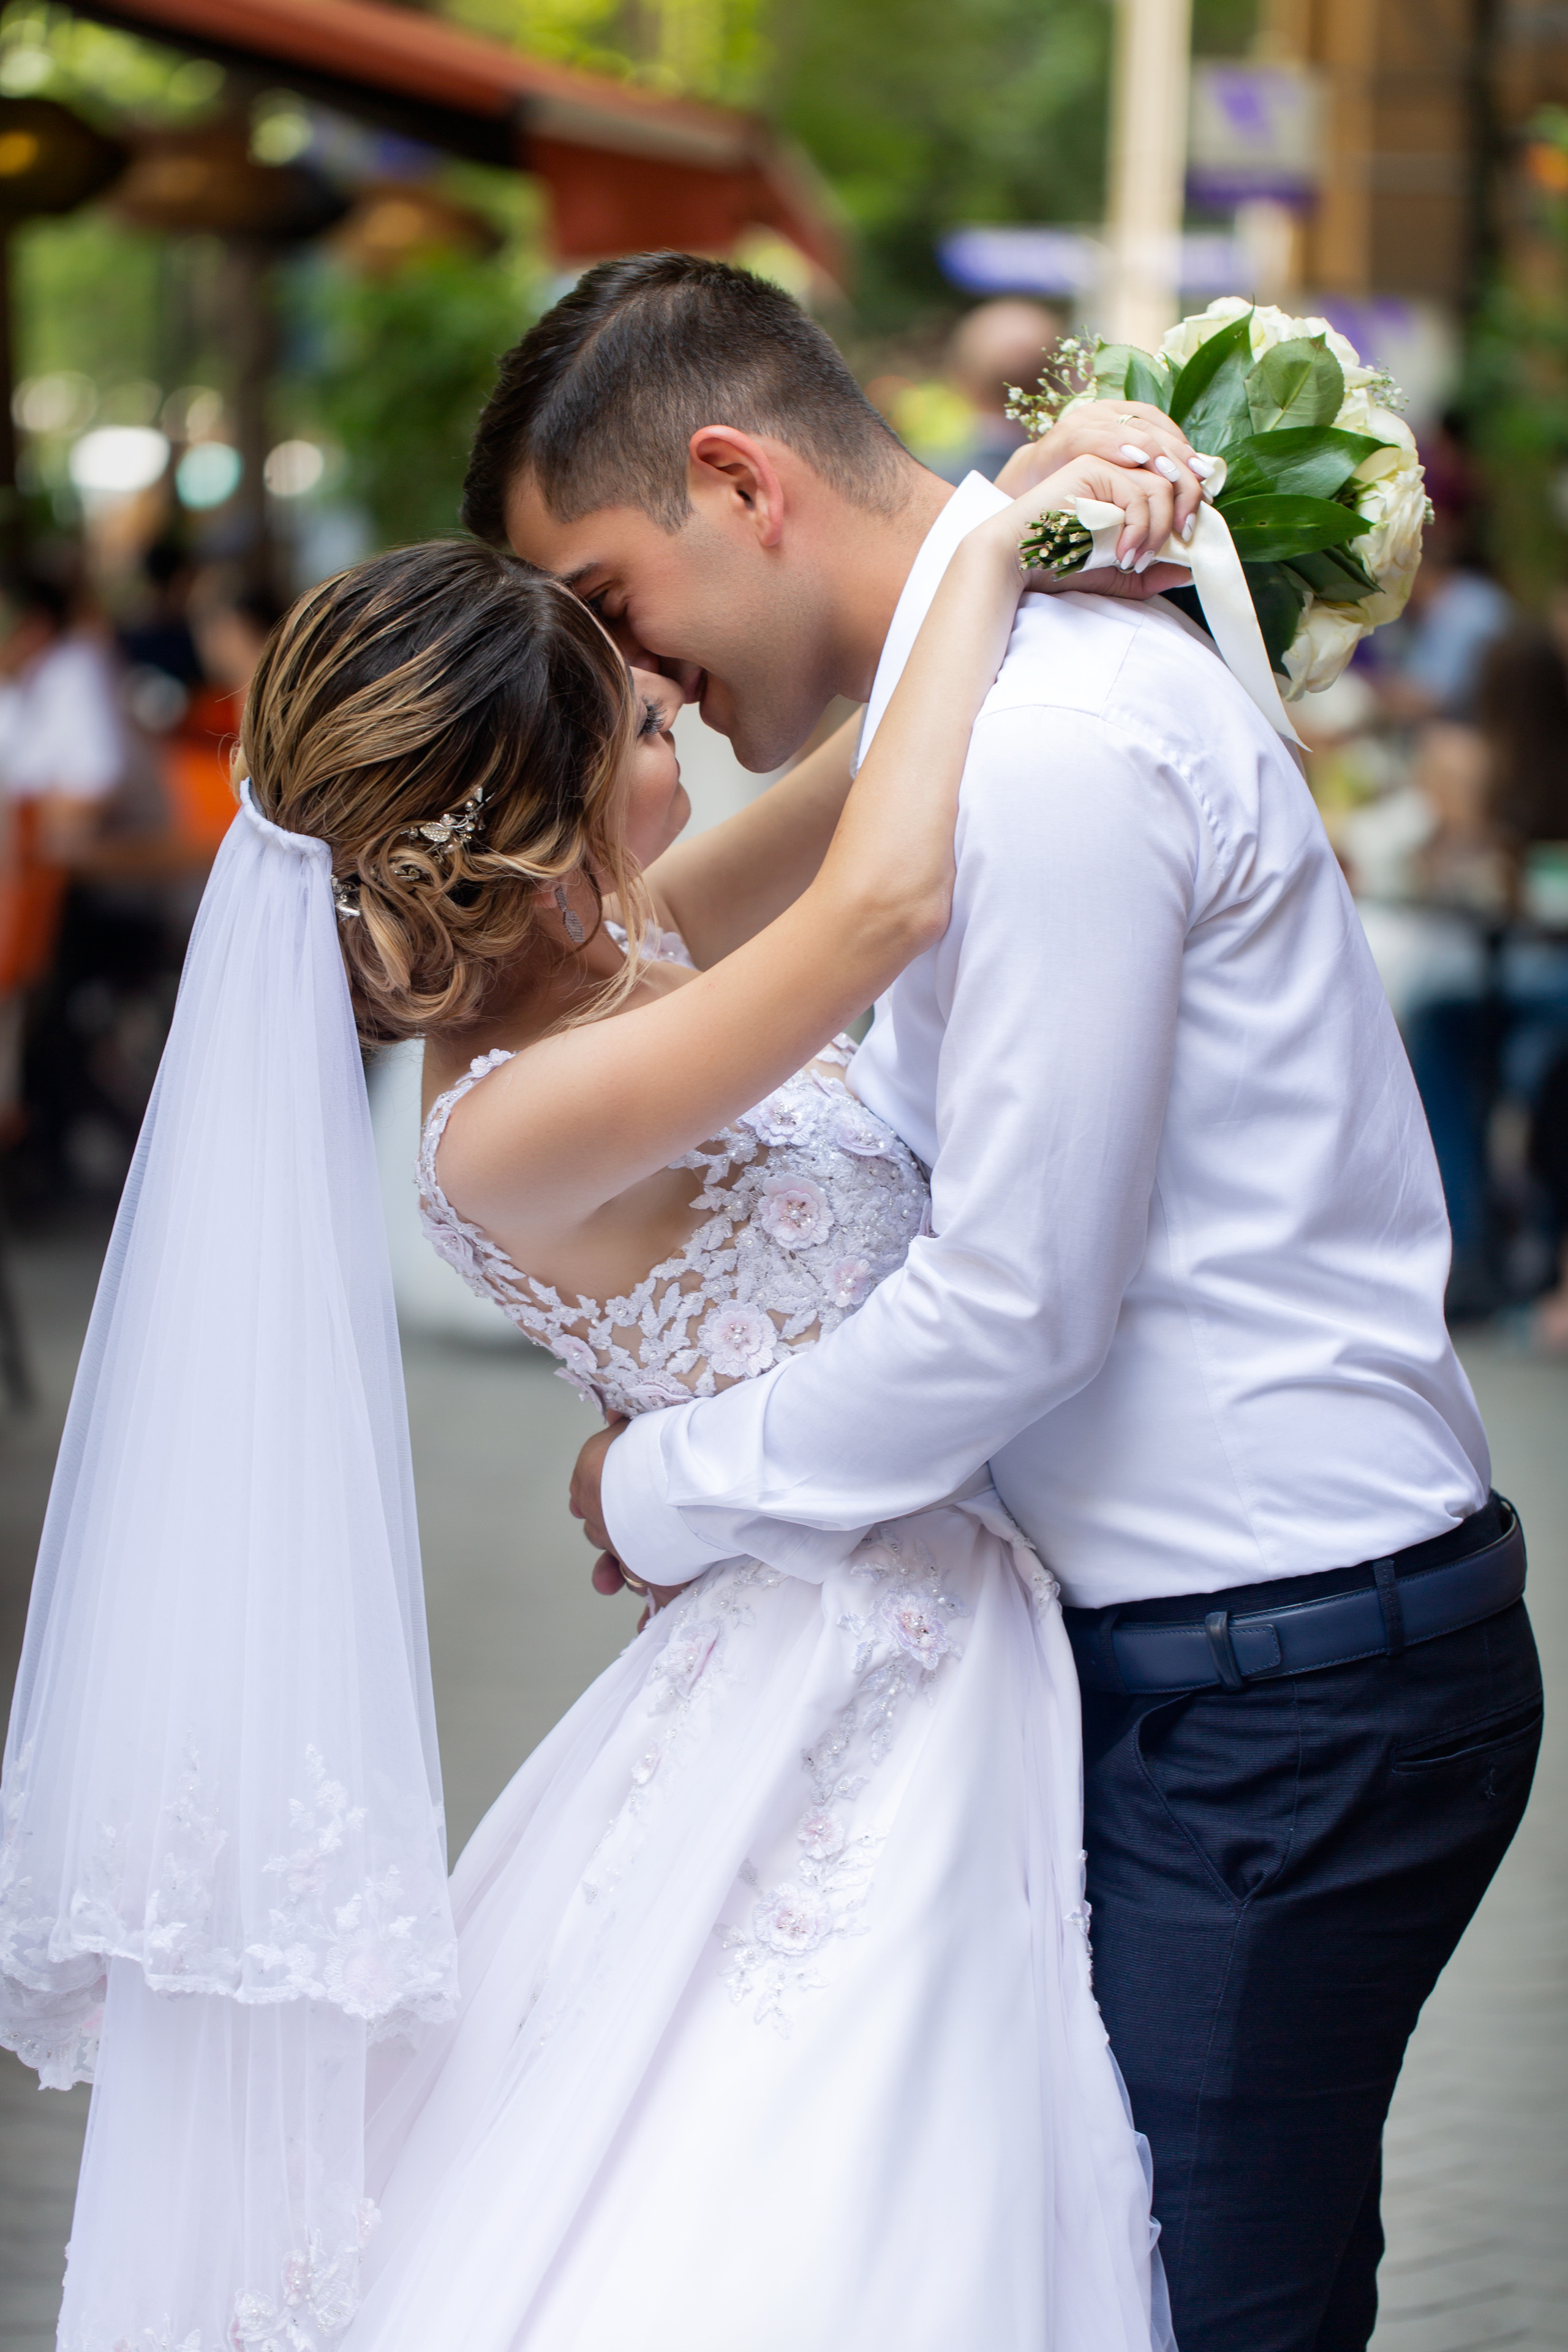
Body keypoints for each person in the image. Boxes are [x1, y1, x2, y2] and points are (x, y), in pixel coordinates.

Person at [473, 254, 1542, 2352]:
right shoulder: (994, 709)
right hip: (1217, 1668)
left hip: (1273, 1685)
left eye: (615, 607)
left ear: (734, 481)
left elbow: (1014, 1311)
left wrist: (662, 1492)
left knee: (1198, 2306)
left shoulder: (1051, 739)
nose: (646, 689)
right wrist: (1003, 532)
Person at [1, 455, 1185, 2346]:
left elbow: (849, 790)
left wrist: (1047, 557)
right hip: (854, 1656)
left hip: (891, 1622)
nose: (679, 746)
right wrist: (989, 533)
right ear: (544, 828)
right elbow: (880, 899)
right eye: (643, 730)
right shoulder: (514, 1122)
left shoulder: (620, 956)